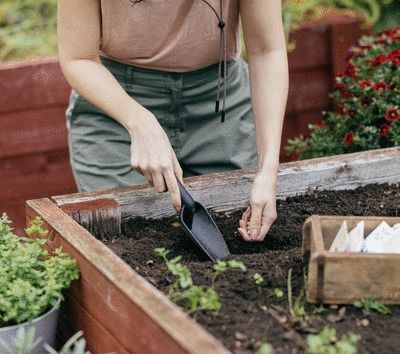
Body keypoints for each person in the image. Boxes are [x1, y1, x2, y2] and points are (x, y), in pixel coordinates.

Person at [57, 0, 289, 242]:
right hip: (116, 107)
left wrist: (268, 170)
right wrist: (139, 122)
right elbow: (78, 58)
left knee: (233, 239)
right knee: (127, 243)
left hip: (220, 103)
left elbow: (266, 50)